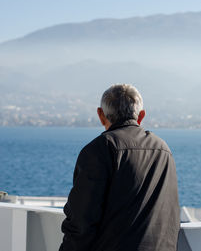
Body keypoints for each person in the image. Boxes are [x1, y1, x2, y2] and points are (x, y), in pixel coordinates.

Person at [59, 84, 180, 251]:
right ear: (141, 116)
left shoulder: (100, 150)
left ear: (101, 115)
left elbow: (82, 220)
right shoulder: (163, 150)